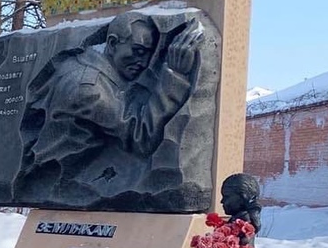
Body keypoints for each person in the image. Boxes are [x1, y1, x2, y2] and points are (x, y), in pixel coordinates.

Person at [17, 11, 203, 209]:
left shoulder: (80, 63)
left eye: (149, 54)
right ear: (113, 44)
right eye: (138, 51)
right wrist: (175, 75)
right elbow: (140, 137)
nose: (144, 62)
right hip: (63, 180)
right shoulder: (88, 89)